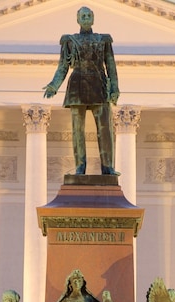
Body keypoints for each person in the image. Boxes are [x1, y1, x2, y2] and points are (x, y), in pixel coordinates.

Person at [43, 6, 120, 176]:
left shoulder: (103, 40)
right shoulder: (69, 41)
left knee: (105, 128)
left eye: (88, 15)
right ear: (78, 19)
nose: (86, 18)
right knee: (77, 130)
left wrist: (114, 88)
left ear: (93, 18)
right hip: (77, 85)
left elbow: (111, 66)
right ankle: (80, 166)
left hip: (99, 83)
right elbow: (63, 66)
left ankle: (107, 167)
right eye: (83, 16)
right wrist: (54, 85)